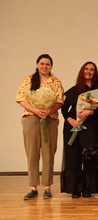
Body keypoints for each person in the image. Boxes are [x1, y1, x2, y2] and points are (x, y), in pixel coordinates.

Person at [16, 54, 64, 200]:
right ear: (37, 64)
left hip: (50, 119)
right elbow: (20, 98)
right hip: (31, 118)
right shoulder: (29, 80)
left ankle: (48, 187)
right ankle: (33, 187)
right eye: (42, 63)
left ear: (51, 66)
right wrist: (35, 110)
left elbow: (60, 101)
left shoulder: (55, 82)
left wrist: (49, 110)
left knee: (48, 152)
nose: (44, 66)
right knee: (32, 152)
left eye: (47, 64)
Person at [60, 61, 98, 198]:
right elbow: (63, 107)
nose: (89, 72)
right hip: (72, 127)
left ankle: (88, 188)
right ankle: (74, 188)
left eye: (92, 70)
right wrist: (70, 119)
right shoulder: (74, 90)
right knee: (73, 157)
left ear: (95, 73)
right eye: (86, 69)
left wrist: (91, 112)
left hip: (92, 128)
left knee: (90, 158)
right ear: (82, 71)